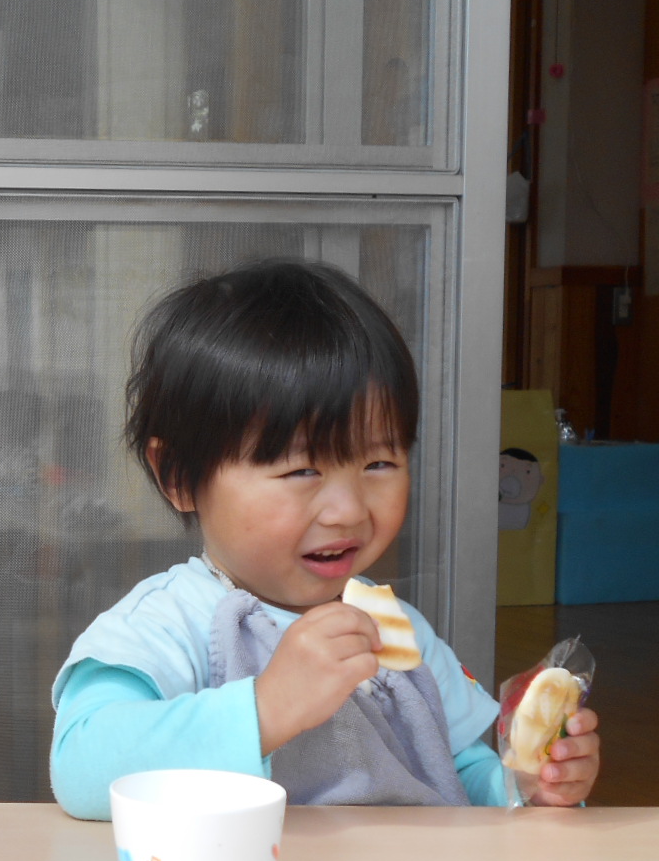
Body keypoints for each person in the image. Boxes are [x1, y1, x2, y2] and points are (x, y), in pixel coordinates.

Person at [49, 260, 600, 818]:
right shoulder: (169, 623)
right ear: (178, 477)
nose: (348, 510)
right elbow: (82, 766)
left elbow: (455, 769)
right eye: (302, 470)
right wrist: (267, 708)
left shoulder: (399, 632)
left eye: (379, 463)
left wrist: (524, 787)